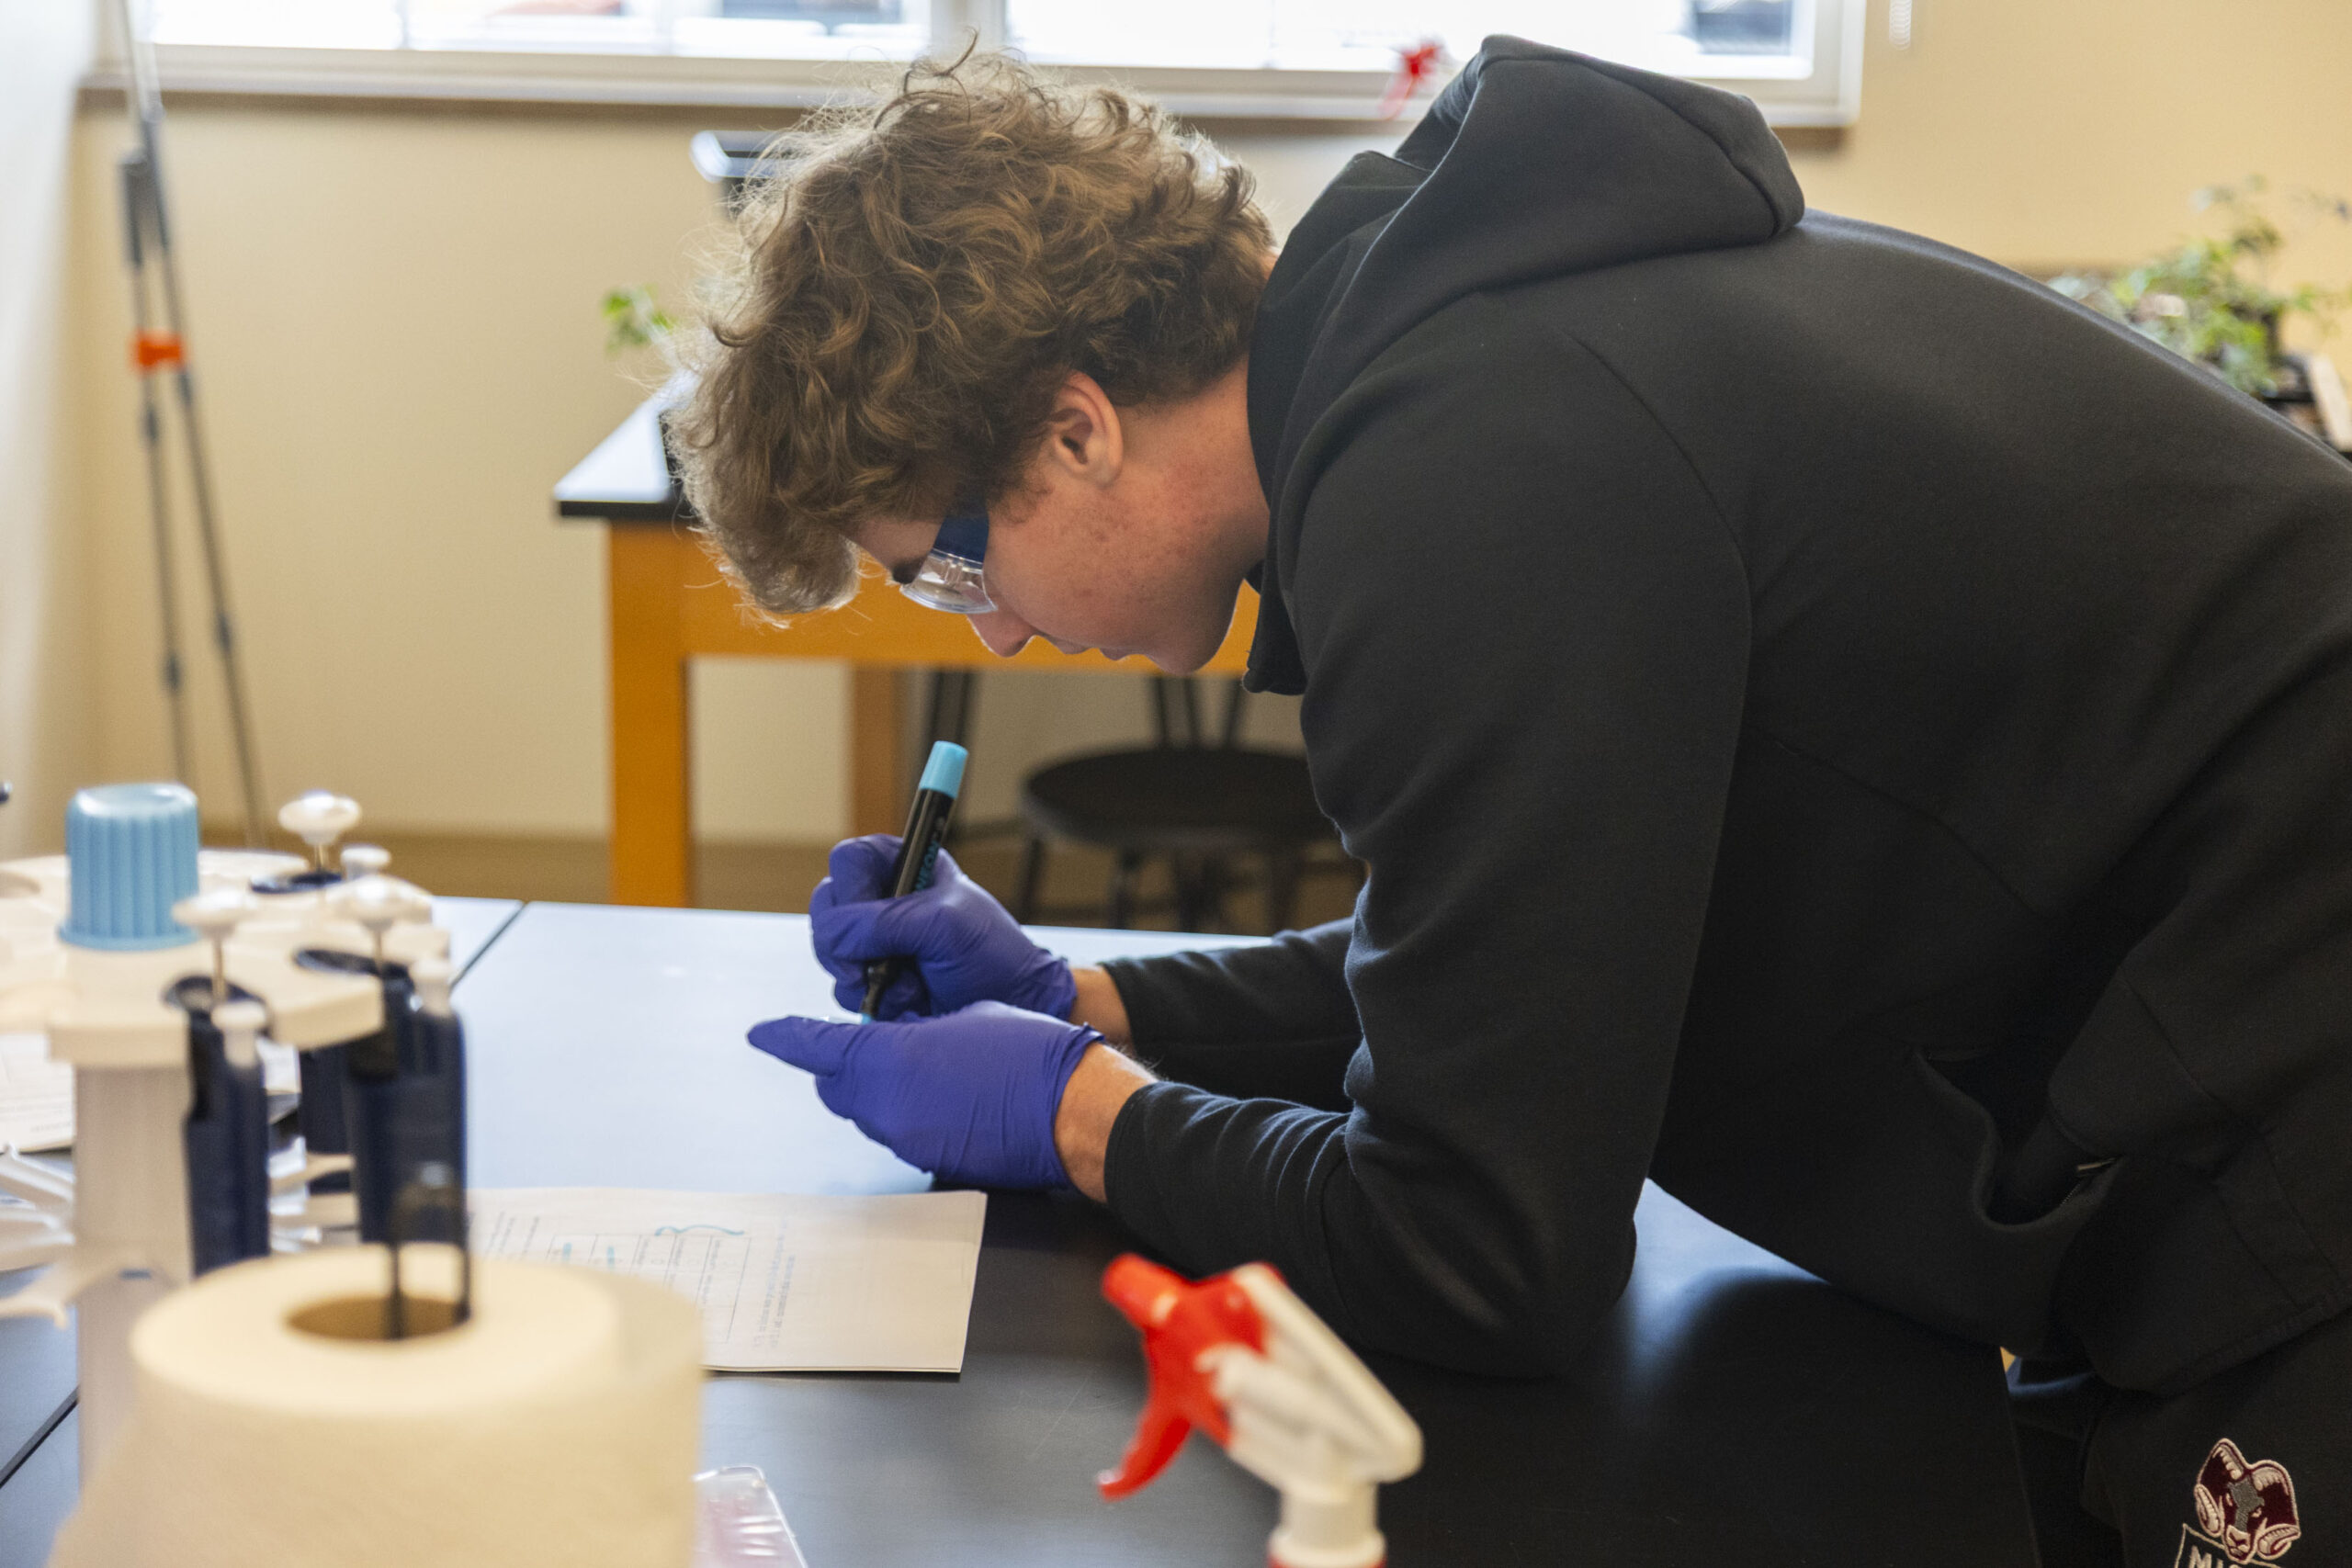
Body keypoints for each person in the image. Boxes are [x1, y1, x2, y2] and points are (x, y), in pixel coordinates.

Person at [670, 40, 2352, 1567]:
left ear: (1075, 428)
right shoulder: (1471, 349)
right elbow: (1528, 962)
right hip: (2196, 1077)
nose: (993, 629)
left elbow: (1479, 1250)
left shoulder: (1469, 483)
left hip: (2293, 1123)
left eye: (953, 563)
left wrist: (1078, 1117)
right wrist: (1094, 1007)